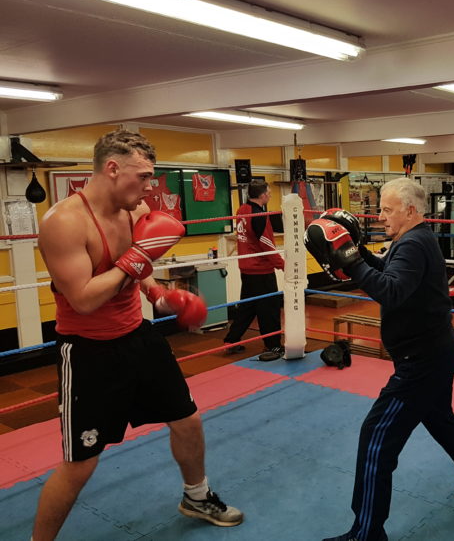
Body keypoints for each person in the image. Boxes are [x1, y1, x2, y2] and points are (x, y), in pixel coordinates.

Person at [33, 130, 242, 540]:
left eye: (152, 177)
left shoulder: (134, 211)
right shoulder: (63, 223)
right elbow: (84, 299)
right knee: (81, 462)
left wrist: (158, 293)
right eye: (143, 176)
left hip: (138, 337)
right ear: (112, 168)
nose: (150, 188)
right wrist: (138, 258)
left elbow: (133, 272)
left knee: (187, 420)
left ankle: (197, 496)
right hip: (90, 352)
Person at [306, 178, 454, 541]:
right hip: (434, 352)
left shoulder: (414, 244)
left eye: (387, 209)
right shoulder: (414, 239)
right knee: (442, 422)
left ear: (410, 210)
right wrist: (358, 252)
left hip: (422, 362)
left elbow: (392, 291)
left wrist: (352, 262)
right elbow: (387, 271)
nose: (382, 216)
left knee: (376, 438)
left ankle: (366, 533)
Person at [223, 180, 285, 360]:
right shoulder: (259, 215)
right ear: (263, 195)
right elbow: (266, 244)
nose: (270, 195)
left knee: (247, 307)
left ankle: (231, 340)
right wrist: (283, 265)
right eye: (269, 192)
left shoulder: (242, 210)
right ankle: (273, 346)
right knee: (270, 309)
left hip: (246, 267)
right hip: (261, 270)